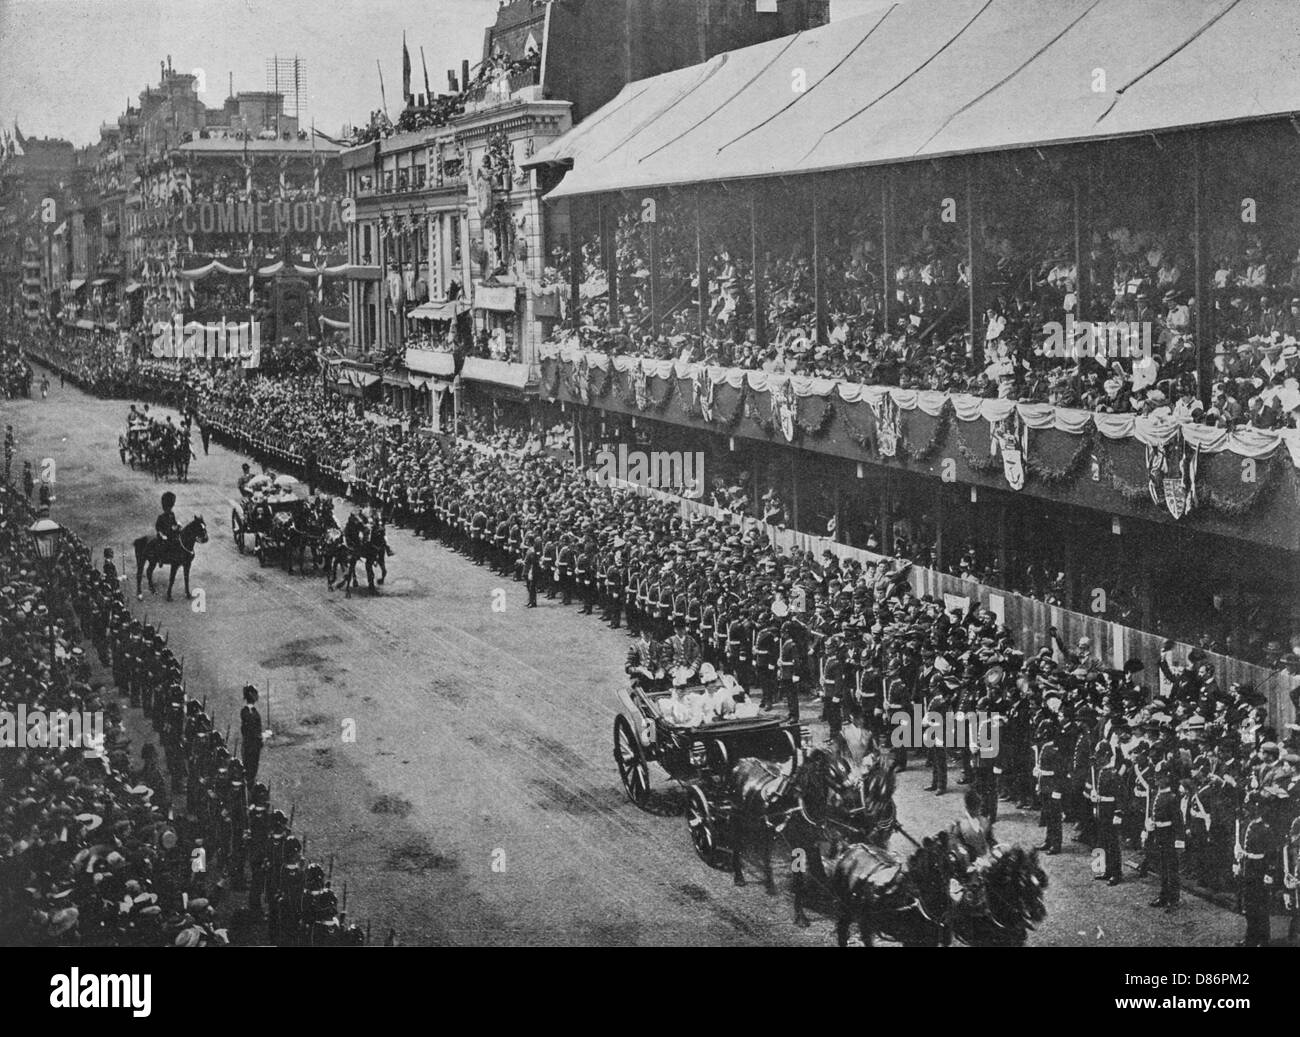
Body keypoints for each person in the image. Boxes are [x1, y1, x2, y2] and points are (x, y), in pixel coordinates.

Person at [1147, 769, 1184, 911]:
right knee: (1162, 867)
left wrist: (1179, 841)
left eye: (1160, 777)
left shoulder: (1172, 798)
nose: (1157, 780)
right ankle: (1163, 895)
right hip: (1159, 834)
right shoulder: (1158, 795)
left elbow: (1178, 822)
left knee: (1171, 869)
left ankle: (1173, 899)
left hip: (1169, 836)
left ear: (1167, 779)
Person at [241, 684, 265, 782]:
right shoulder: (249, 712)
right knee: (250, 772)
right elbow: (252, 732)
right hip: (251, 746)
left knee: (251, 771)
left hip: (250, 745)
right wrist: (264, 736)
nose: (257, 696)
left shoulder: (250, 711)